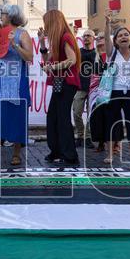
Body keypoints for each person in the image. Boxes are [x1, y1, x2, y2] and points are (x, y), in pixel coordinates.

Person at [0, 4, 33, 166]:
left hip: (17, 82)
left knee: (16, 116)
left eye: (3, 13)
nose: (1, 15)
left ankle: (16, 153)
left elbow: (29, 57)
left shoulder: (23, 34)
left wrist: (14, 44)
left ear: (11, 15)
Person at [101, 17, 130, 165]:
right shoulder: (111, 52)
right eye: (120, 36)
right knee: (111, 123)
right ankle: (110, 155)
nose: (123, 37)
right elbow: (106, 38)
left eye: (126, 34)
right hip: (114, 92)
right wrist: (107, 25)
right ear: (116, 41)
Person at [42, 10, 82, 165]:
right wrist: (41, 42)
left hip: (67, 82)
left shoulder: (65, 36)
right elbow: (47, 59)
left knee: (62, 118)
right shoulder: (57, 39)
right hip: (61, 82)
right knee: (53, 116)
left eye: (46, 22)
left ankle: (70, 155)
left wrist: (53, 67)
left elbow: (72, 60)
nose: (45, 25)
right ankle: (57, 151)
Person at [73, 30, 99, 148]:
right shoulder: (78, 52)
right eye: (84, 36)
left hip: (94, 87)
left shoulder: (97, 53)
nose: (86, 37)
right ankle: (80, 135)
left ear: (93, 38)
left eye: (89, 35)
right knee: (76, 112)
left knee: (91, 114)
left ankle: (87, 137)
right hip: (80, 86)